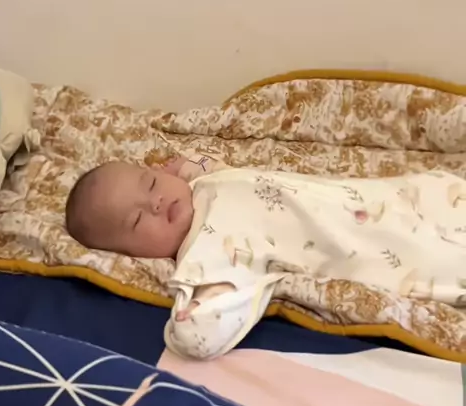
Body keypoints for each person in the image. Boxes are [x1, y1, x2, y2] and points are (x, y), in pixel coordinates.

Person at [66, 154, 466, 359]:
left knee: (432, 196)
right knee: (429, 255)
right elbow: (200, 333)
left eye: (151, 181)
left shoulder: (203, 184)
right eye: (138, 220)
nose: (155, 202)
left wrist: (186, 166)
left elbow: (211, 165)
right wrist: (183, 321)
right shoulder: (205, 250)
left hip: (375, 199)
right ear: (134, 256)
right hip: (368, 241)